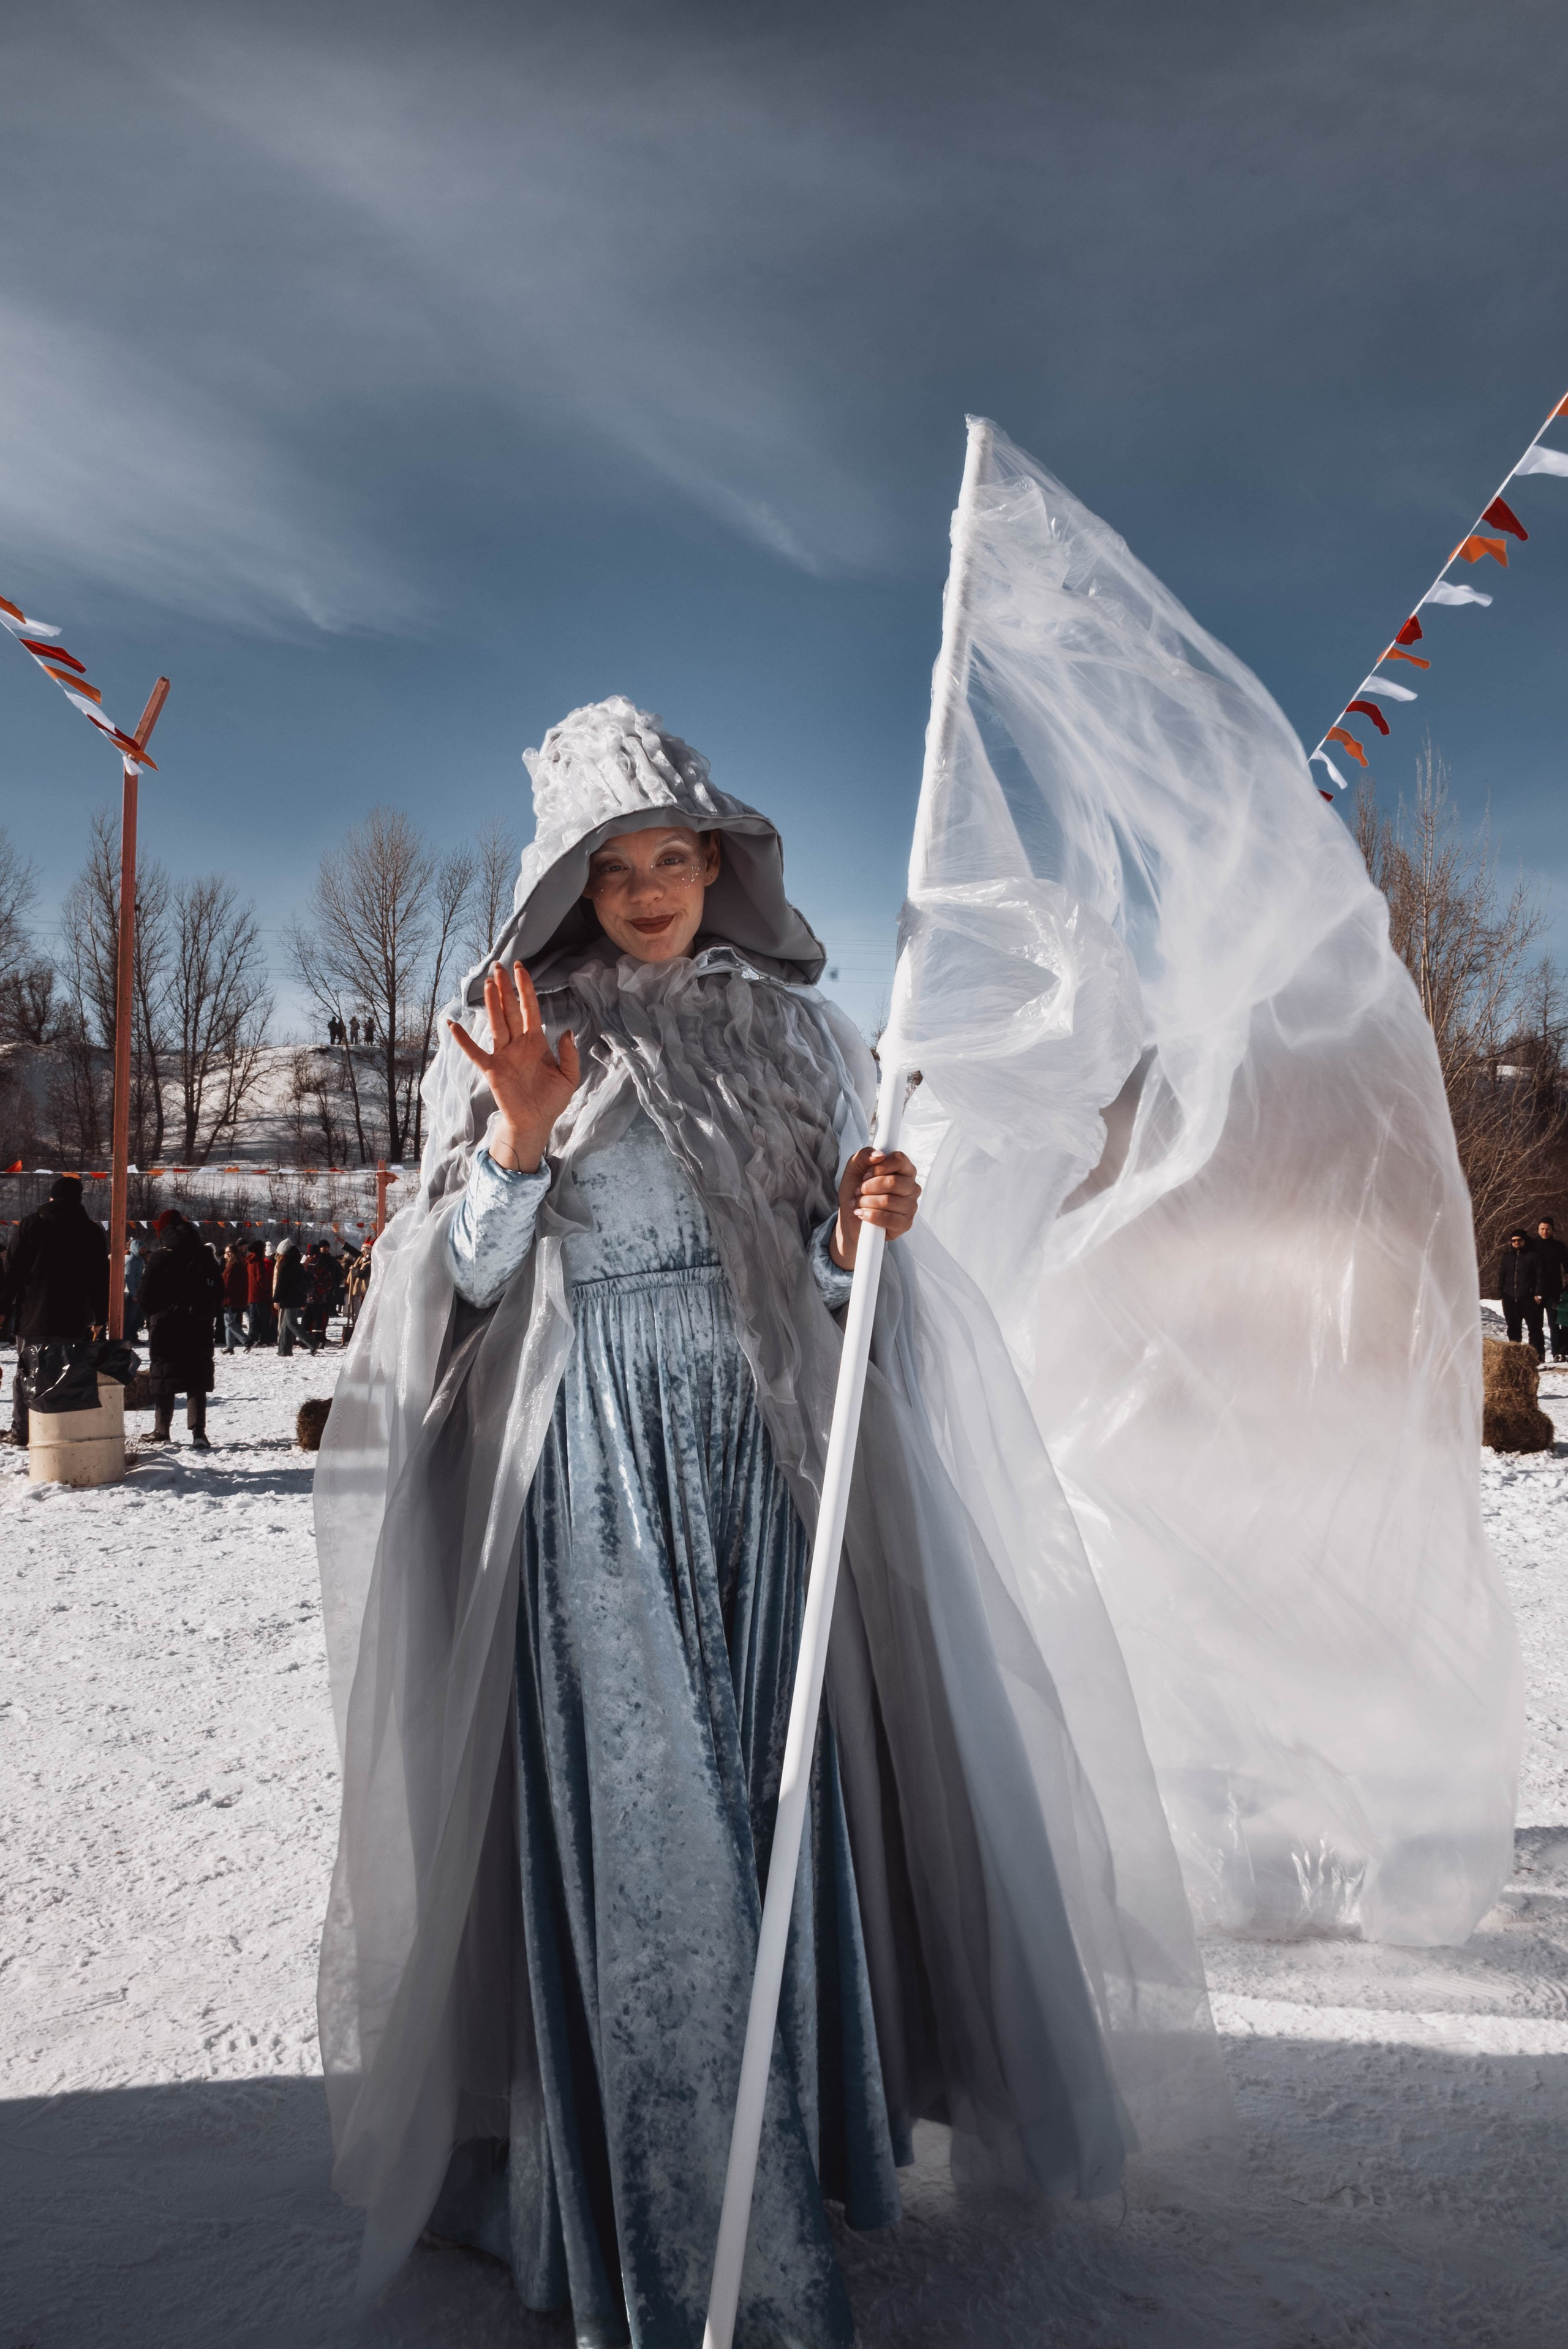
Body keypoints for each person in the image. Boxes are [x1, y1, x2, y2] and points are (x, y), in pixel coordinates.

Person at [315, 699, 1218, 2341]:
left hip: (766, 1457)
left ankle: (785, 2142)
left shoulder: (791, 1030)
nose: (654, 885)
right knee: (655, 1832)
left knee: (773, 1794)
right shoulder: (514, 1017)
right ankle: (658, 2216)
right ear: (570, 877)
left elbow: (820, 1283)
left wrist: (868, 1233)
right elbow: (457, 1285)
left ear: (719, 860)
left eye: (679, 854)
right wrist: (515, 1136)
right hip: (593, 1463)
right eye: (619, 862)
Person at [1, 1172, 110, 1447]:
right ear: (79, 1199)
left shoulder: (31, 1225)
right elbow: (100, 1277)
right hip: (75, 1317)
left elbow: (12, 1272)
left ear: (51, 1197)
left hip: (34, 1315)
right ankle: (64, 1431)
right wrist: (100, 1315)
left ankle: (22, 1430)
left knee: (27, 1373)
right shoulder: (92, 1231)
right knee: (68, 1374)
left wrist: (2, 1308)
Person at [139, 1210, 224, 1448]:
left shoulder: (160, 1257)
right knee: (197, 1377)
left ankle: (162, 1430)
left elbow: (144, 1295)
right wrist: (206, 1313)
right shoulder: (205, 1256)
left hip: (166, 1326)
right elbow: (219, 1291)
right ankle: (199, 1432)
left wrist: (156, 1315)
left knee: (164, 1376)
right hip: (199, 1324)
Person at [1499, 1227, 1546, 1359]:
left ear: (1524, 1240)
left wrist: (1538, 1294)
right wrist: (1501, 1294)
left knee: (1534, 1328)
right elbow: (1502, 1275)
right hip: (1510, 1297)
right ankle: (1516, 1357)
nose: (1516, 1243)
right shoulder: (1508, 1256)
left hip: (1528, 1297)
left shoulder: (1533, 1256)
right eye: (1513, 1241)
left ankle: (1537, 1356)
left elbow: (1540, 1276)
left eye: (1519, 1240)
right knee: (1513, 1328)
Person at [273, 1235, 318, 1356]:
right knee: (286, 1324)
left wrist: (276, 1298)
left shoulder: (285, 1265)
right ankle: (284, 1350)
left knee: (291, 1323)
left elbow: (280, 1283)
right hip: (297, 1298)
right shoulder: (297, 1264)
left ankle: (312, 1343)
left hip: (289, 1299)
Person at [1536, 1216, 1568, 1363]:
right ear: (1538, 1229)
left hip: (1554, 1292)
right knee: (1535, 1326)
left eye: (1548, 1229)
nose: (1545, 1231)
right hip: (1535, 1292)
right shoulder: (1532, 1245)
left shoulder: (1559, 1246)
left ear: (1552, 1230)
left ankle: (1557, 1353)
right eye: (1542, 1229)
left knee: (1554, 1325)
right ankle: (1538, 1354)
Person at [221, 1243, 251, 1352]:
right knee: (229, 1322)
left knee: (229, 1322)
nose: (227, 1254)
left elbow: (228, 1284)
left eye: (229, 1252)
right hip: (237, 1297)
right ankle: (230, 1347)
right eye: (226, 1252)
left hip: (232, 1298)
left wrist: (222, 1293)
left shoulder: (232, 1267)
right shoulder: (239, 1265)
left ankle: (247, 1340)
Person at [244, 1242, 271, 1347]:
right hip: (261, 1294)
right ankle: (264, 1339)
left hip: (252, 1294)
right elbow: (261, 1278)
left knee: (254, 1318)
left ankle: (252, 1338)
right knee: (264, 1318)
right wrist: (268, 1289)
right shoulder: (259, 1262)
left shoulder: (250, 1261)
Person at [123, 1232, 148, 1342]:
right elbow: (129, 1278)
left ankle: (133, 1336)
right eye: (141, 1249)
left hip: (139, 1292)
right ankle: (127, 1337)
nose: (143, 1251)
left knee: (138, 1317)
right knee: (130, 1318)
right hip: (131, 1293)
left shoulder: (140, 1260)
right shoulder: (131, 1260)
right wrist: (134, 1294)